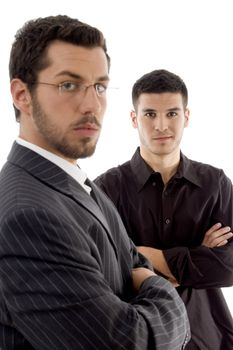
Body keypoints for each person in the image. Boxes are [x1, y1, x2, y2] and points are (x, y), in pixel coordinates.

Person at [0, 17, 191, 350]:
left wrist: (142, 277)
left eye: (100, 86)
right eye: (69, 85)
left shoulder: (77, 182)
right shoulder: (28, 216)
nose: (93, 105)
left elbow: (135, 261)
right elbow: (128, 343)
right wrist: (162, 292)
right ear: (21, 95)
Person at [95, 69, 233, 349]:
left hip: (207, 336)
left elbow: (229, 267)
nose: (161, 125)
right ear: (134, 119)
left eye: (172, 114)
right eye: (149, 114)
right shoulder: (106, 189)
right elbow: (105, 272)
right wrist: (199, 255)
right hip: (136, 337)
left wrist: (146, 256)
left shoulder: (215, 183)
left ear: (186, 117)